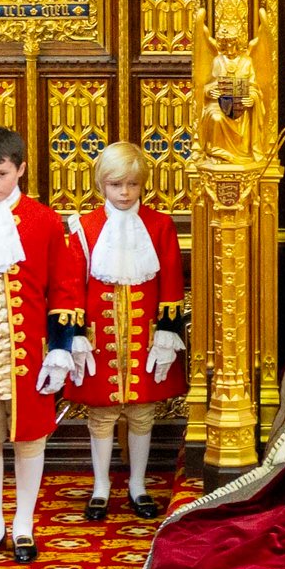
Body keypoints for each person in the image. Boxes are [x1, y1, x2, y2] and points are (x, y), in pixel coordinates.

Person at [0, 126, 79, 563]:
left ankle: (23, 525)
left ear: (20, 169)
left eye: (1, 174)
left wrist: (61, 349)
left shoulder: (44, 220)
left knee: (28, 440)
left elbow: (63, 290)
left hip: (31, 354)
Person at [67, 142, 194, 524]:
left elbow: (171, 283)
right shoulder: (84, 227)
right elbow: (72, 286)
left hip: (146, 336)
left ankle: (138, 485)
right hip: (99, 340)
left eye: (132, 185)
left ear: (143, 185)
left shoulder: (159, 224)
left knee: (142, 412)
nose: (124, 193)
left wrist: (168, 334)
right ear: (101, 184)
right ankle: (101, 486)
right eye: (116, 184)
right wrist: (73, 335)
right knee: (101, 414)